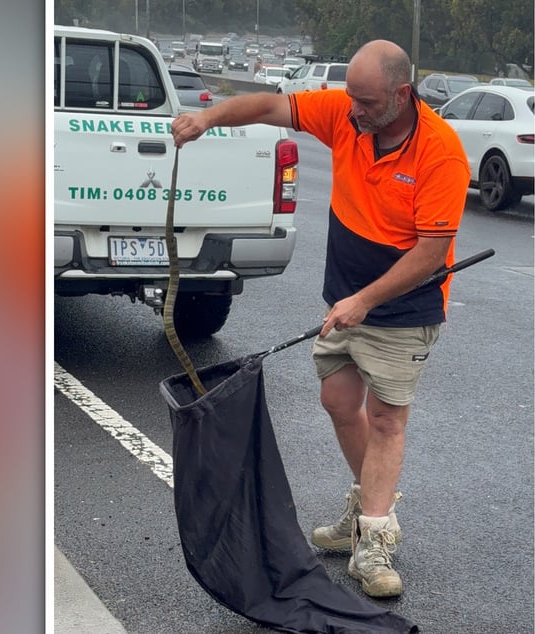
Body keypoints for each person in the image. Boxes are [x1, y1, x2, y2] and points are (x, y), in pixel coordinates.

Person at [171, 39, 469, 598]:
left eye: (365, 100)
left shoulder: (441, 153)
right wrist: (207, 118)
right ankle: (364, 512)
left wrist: (365, 301)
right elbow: (266, 107)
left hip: (404, 308)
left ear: (402, 96)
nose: (351, 108)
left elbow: (431, 251)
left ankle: (376, 542)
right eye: (350, 97)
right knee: (337, 402)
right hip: (346, 300)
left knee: (385, 419)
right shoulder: (346, 114)